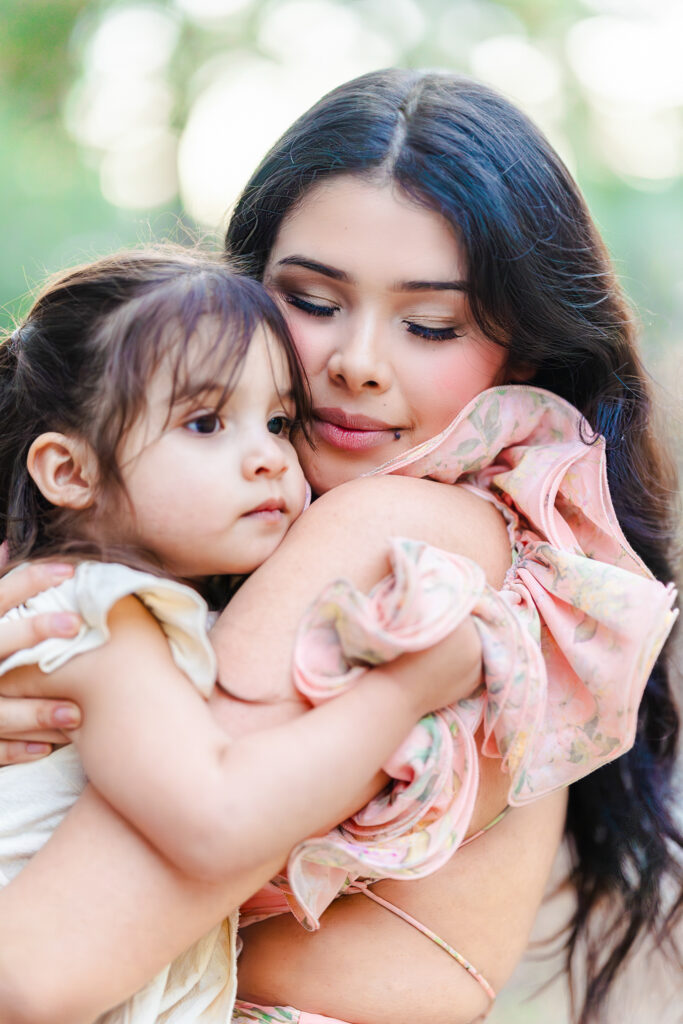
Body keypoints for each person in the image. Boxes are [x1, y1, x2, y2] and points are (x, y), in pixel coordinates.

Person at [0, 69, 680, 1024]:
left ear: (520, 355)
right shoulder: (531, 545)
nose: (356, 363)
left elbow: (35, 969)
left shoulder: (389, 531)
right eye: (311, 302)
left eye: (428, 323)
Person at [0, 248, 484, 1022]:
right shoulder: (101, 618)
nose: (266, 458)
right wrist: (403, 692)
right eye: (204, 423)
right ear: (69, 471)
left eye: (277, 421)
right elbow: (218, 823)